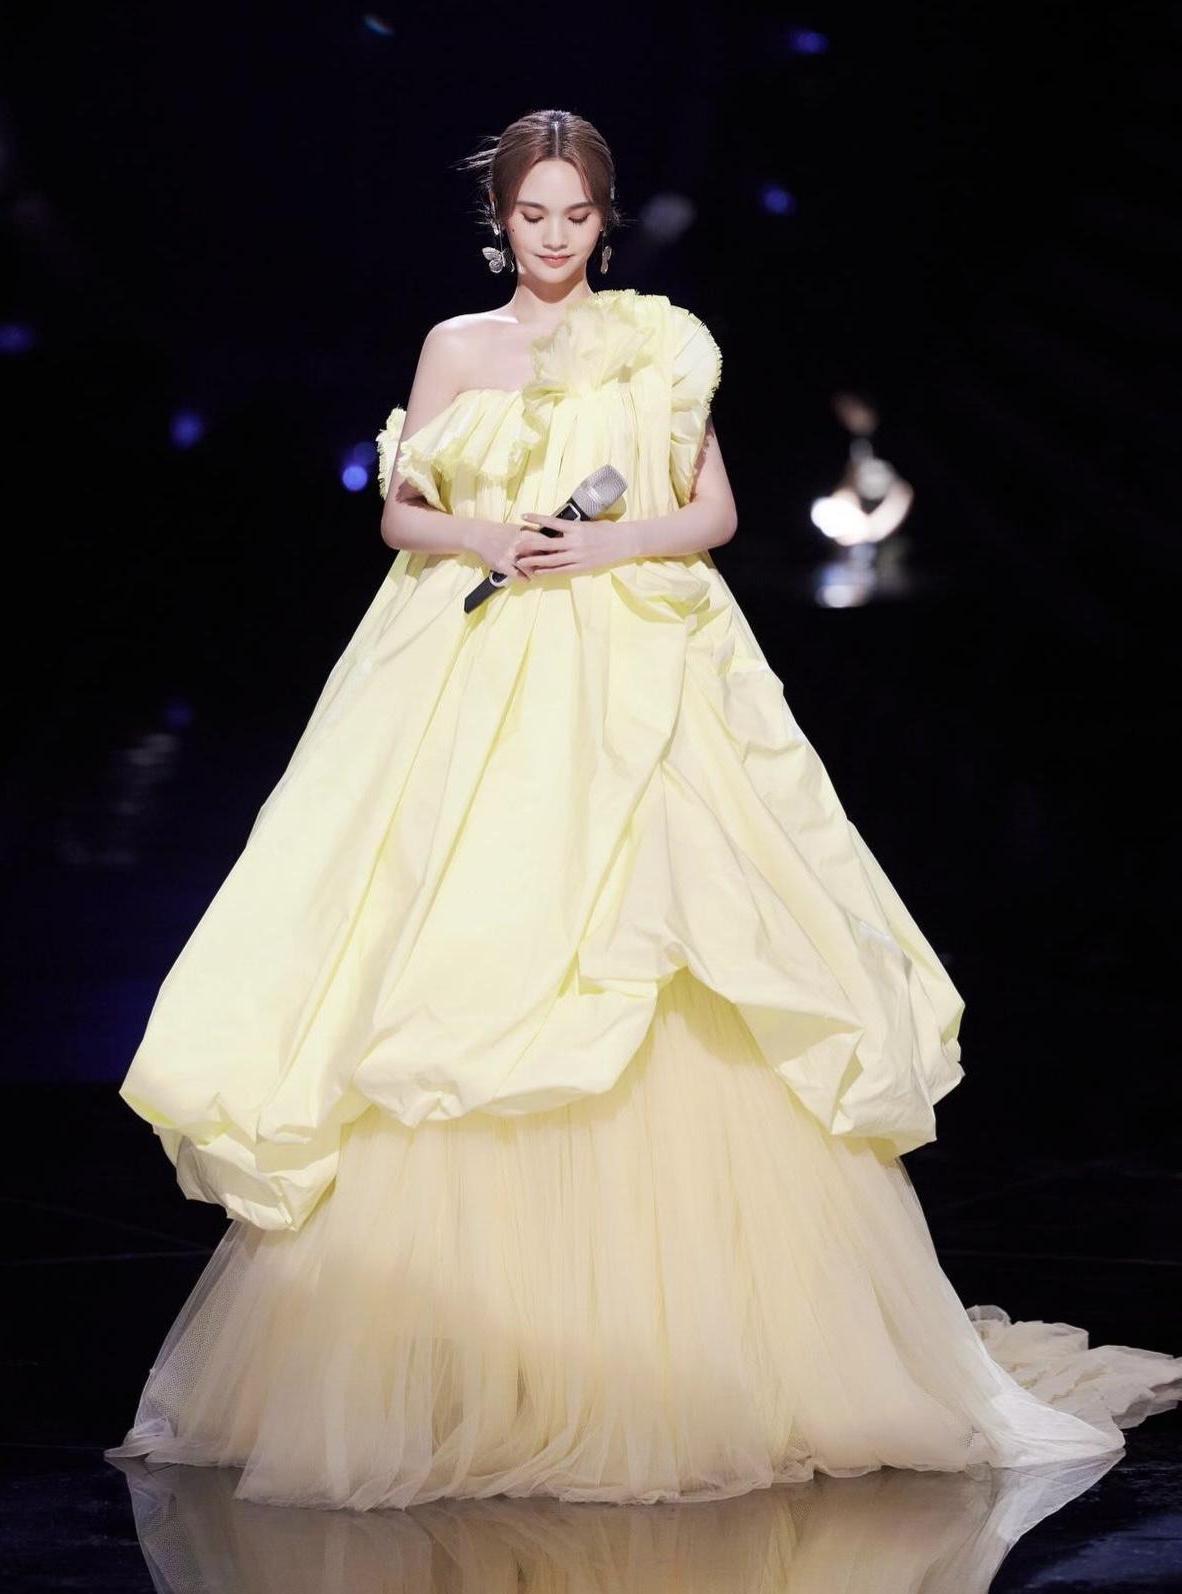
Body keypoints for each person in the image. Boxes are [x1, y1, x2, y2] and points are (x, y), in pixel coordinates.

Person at [104, 109, 1181, 1510]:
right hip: (478, 659)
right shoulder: (454, 345)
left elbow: (712, 511)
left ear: (603, 221)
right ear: (500, 221)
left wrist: (599, 543)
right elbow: (400, 514)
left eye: (575, 214)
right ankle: (463, 1357)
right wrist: (490, 536)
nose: (553, 237)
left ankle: (716, 1344)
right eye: (531, 215)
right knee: (460, 940)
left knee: (676, 934)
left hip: (637, 655)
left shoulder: (660, 344)